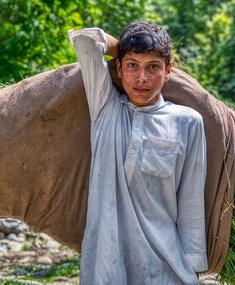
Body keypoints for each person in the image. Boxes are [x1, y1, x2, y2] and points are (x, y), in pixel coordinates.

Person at [68, 22, 208, 285]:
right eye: (132, 65)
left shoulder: (187, 122)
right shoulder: (105, 109)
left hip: (165, 269)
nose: (142, 78)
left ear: (168, 71)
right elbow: (86, 39)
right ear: (118, 69)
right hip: (105, 267)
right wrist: (126, 47)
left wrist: (193, 268)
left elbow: (191, 202)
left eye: (153, 67)